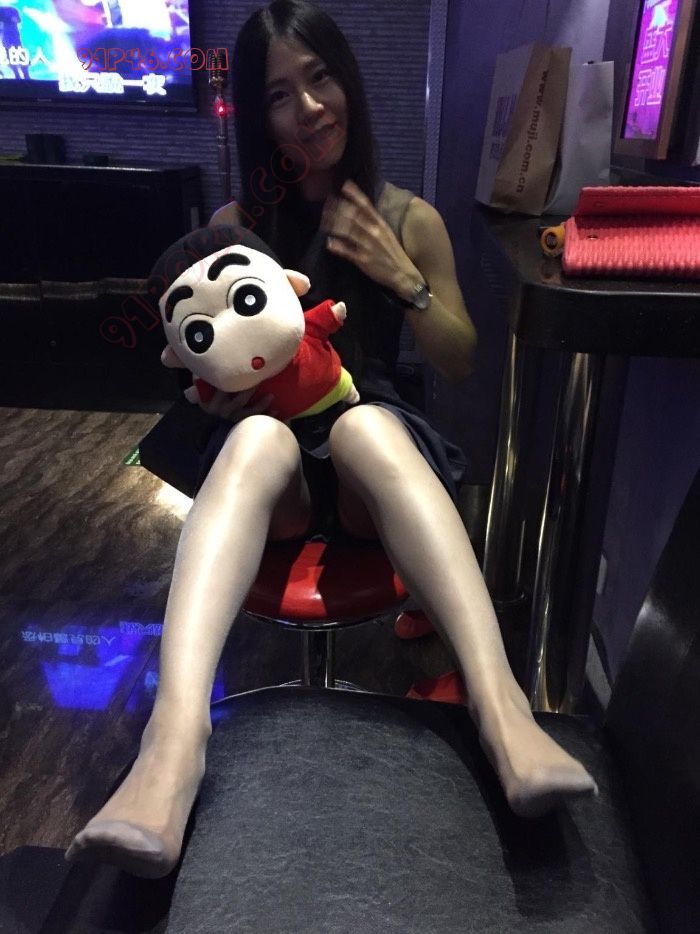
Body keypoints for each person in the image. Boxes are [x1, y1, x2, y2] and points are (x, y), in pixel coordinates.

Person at [65, 0, 596, 880]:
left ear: (347, 80)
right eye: (280, 94)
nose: (309, 108)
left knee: (364, 426)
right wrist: (218, 397)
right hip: (273, 475)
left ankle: (502, 709)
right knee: (256, 440)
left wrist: (403, 277)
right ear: (259, 114)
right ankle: (172, 745)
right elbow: (193, 355)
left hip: (368, 464)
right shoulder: (237, 226)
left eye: (320, 79)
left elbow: (462, 359)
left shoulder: (409, 217)